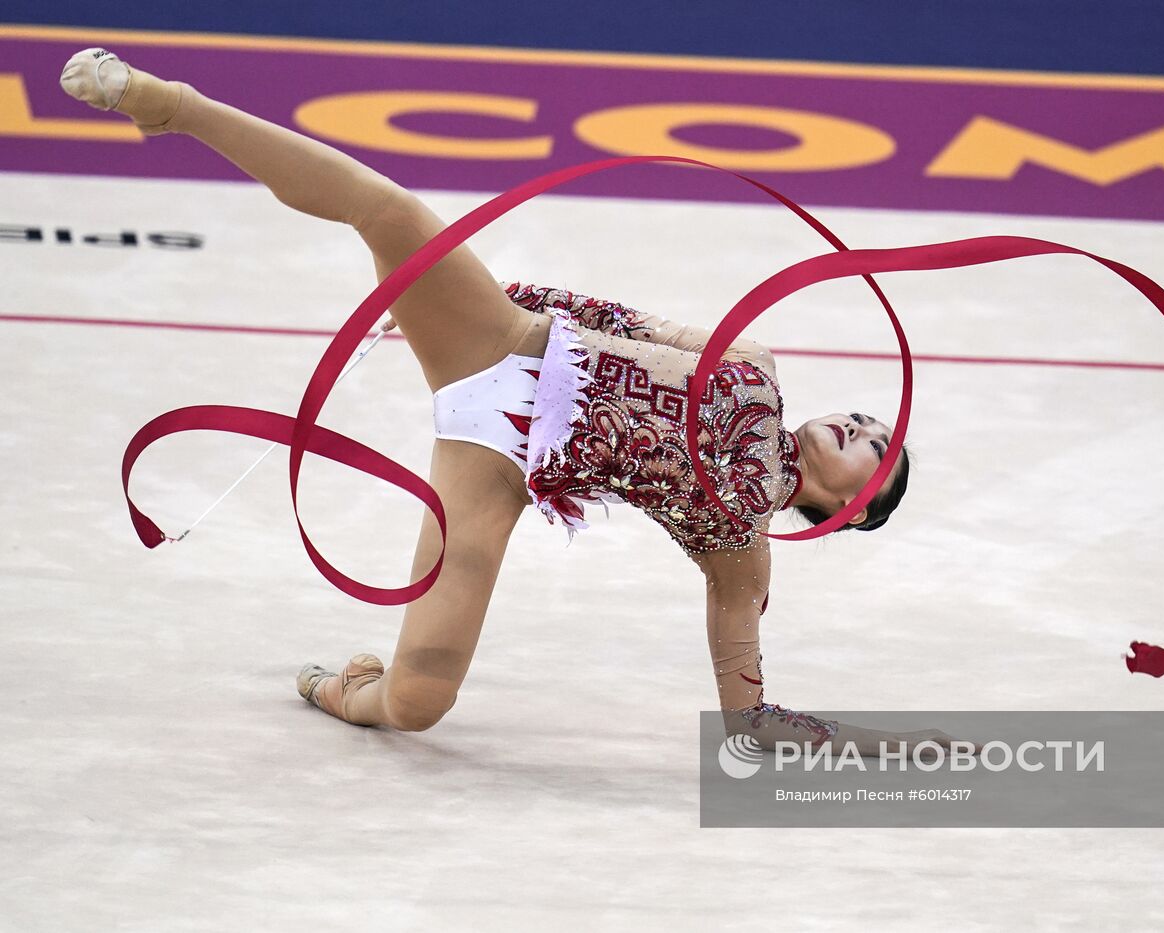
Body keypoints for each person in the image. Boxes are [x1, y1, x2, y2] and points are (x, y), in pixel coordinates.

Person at [61, 48, 930, 753]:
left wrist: (875, 742)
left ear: (844, 511)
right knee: (390, 213)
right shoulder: (755, 364)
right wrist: (488, 291)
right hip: (510, 347)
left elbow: (750, 717)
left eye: (873, 449)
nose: (861, 424)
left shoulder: (741, 549)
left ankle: (339, 686)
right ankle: (168, 104)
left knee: (418, 702)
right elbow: (617, 317)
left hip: (500, 471)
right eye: (869, 418)